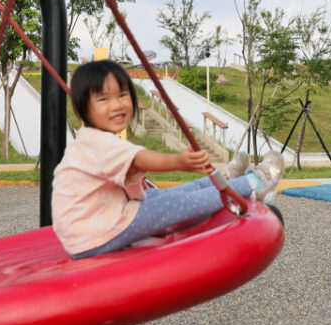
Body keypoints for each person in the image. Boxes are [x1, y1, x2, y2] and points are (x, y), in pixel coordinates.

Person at [52, 59, 283, 259]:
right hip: (95, 234)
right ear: (82, 109)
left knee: (165, 195)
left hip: (92, 227)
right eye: (103, 99)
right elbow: (140, 160)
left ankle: (227, 178)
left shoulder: (88, 140)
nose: (117, 105)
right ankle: (255, 183)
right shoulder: (99, 143)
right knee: (174, 205)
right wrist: (178, 162)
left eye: (123, 95)